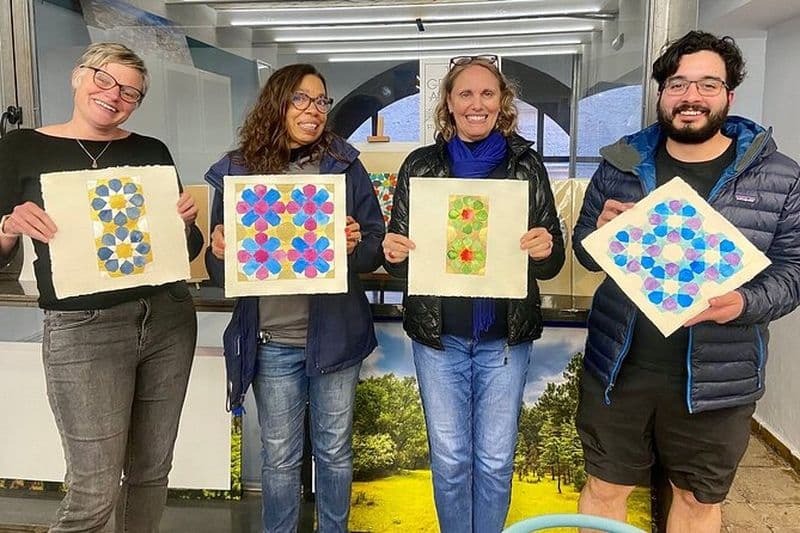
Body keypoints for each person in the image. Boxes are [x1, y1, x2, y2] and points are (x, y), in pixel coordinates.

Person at [573, 31, 800, 532]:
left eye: (707, 85)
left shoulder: (780, 176)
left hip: (721, 378)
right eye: (678, 84)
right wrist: (599, 236)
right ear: (661, 92)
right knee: (605, 487)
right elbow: (584, 250)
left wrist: (742, 302)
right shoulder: (621, 164)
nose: (691, 97)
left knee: (697, 500)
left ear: (729, 96)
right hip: (618, 368)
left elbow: (794, 270)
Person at [0, 43, 203, 532]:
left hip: (168, 317)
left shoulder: (151, 150)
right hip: (83, 329)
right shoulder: (20, 148)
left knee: (152, 474)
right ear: (78, 76)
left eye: (130, 92)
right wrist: (8, 225)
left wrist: (186, 224)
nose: (115, 96)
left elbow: (184, 249)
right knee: (93, 489)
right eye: (105, 80)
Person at [382, 55, 565, 533]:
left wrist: (544, 248)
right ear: (449, 102)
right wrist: (394, 253)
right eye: (465, 93)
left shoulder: (527, 166)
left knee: (495, 460)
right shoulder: (420, 166)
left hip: (504, 339)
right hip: (438, 339)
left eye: (487, 94)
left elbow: (553, 261)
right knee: (449, 459)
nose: (476, 104)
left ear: (502, 102)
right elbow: (400, 266)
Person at [204, 63, 384, 533]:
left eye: (321, 101)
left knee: (335, 453)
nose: (313, 110)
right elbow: (221, 271)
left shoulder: (345, 165)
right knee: (280, 458)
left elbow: (372, 247)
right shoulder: (238, 171)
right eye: (300, 99)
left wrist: (354, 242)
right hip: (270, 340)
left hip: (335, 338)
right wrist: (219, 249)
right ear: (277, 104)